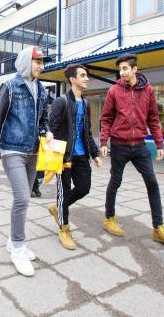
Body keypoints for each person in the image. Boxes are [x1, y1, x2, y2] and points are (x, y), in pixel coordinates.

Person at [100, 54, 164, 249]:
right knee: (115, 181)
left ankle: (158, 228)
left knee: (152, 182)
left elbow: (153, 118)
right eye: (120, 69)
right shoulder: (114, 90)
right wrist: (103, 141)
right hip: (119, 144)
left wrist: (159, 143)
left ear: (135, 69)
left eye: (125, 68)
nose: (122, 72)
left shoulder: (148, 90)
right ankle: (109, 218)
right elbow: (106, 118)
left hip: (139, 145)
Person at [0, 46, 53, 277]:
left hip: (33, 151)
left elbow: (43, 119)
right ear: (26, 62)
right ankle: (17, 248)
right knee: (22, 197)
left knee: (24, 200)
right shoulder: (9, 87)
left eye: (42, 62)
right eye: (37, 62)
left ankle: (13, 241)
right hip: (11, 149)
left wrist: (47, 131)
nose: (41, 66)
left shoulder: (41, 89)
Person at [48, 64, 102, 250]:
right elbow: (51, 128)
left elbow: (87, 132)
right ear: (72, 79)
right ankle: (64, 229)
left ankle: (58, 208)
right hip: (65, 156)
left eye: (86, 75)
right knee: (63, 192)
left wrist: (94, 153)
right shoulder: (61, 102)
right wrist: (57, 154)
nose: (86, 78)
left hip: (82, 155)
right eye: (83, 75)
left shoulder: (85, 104)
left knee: (84, 188)